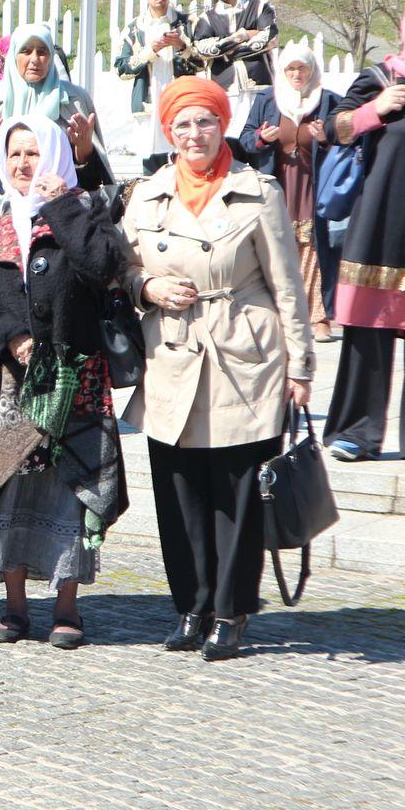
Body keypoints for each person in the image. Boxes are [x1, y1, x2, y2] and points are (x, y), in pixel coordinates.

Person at [122, 78, 313, 660]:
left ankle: (230, 611)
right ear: (168, 131)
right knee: (178, 490)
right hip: (172, 354)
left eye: (205, 121)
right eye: (183, 124)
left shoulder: (258, 193)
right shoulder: (147, 194)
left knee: (237, 492)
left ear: (223, 124)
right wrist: (148, 286)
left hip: (243, 357)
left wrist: (300, 365)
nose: (194, 134)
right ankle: (191, 604)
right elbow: (121, 271)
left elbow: (288, 286)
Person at [0, 114, 129, 649]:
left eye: (35, 152)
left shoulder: (85, 209)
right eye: (15, 154)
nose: (25, 164)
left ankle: (67, 607)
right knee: (9, 486)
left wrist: (61, 206)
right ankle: (13, 606)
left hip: (76, 378)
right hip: (11, 383)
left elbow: (104, 266)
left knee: (70, 491)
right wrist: (9, 336)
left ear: (53, 154)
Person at [322, 0, 405, 466]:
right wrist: (376, 109)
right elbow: (330, 128)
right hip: (379, 219)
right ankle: (356, 432)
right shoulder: (382, 77)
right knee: (369, 325)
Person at [0, 22, 112, 219]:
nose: (34, 59)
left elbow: (93, 180)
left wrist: (84, 153)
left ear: (51, 57)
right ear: (13, 55)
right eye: (26, 51)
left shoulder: (72, 100)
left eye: (42, 52)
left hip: (58, 209)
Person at [240, 43, 343, 340]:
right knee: (279, 247)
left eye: (302, 68)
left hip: (314, 184)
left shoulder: (327, 101)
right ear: (282, 71)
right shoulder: (268, 100)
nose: (297, 74)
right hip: (278, 184)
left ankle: (318, 315)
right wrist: (261, 138)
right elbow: (246, 139)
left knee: (313, 248)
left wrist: (326, 138)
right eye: (291, 68)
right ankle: (282, 315)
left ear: (312, 70)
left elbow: (346, 139)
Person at [115, 0, 196, 153]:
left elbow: (202, 63)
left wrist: (182, 46)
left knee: (182, 158)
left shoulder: (188, 23)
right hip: (148, 106)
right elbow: (121, 69)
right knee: (150, 161)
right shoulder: (134, 29)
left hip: (182, 104)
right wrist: (150, 51)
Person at [192, 0, 278, 97]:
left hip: (259, 88)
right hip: (224, 92)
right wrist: (243, 36)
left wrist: (223, 50)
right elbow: (202, 50)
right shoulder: (206, 18)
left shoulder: (260, 6)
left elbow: (270, 38)